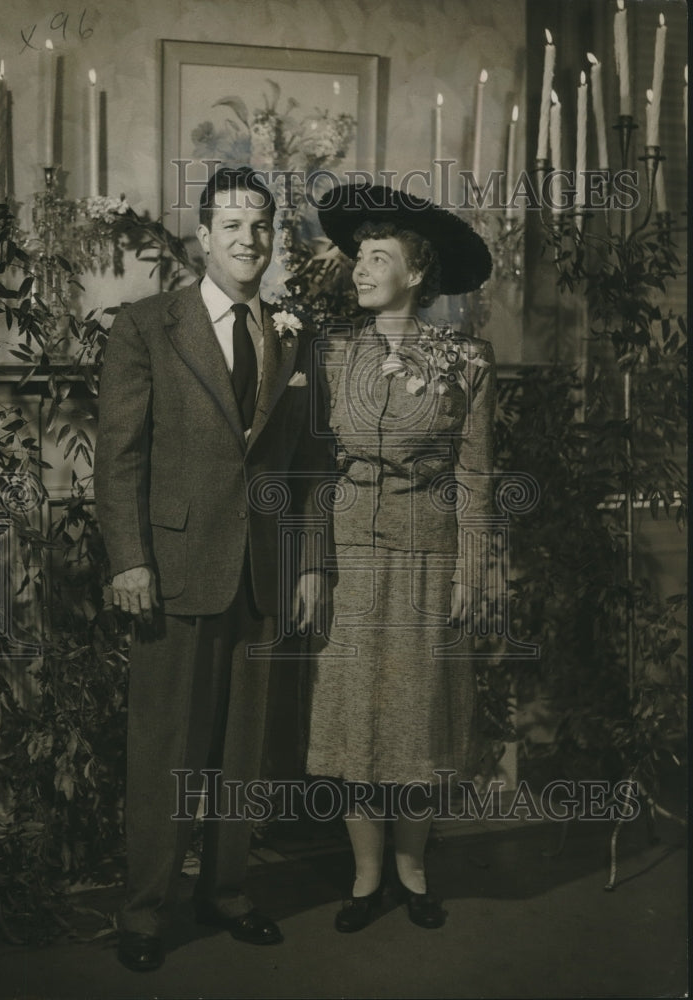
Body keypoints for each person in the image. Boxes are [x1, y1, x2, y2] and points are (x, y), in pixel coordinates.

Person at [94, 166, 322, 971]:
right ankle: (144, 911)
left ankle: (226, 892)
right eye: (232, 224)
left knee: (241, 750)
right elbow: (118, 459)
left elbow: (306, 466)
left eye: (261, 225)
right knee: (165, 748)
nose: (248, 239)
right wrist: (130, 560)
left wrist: (305, 564)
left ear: (273, 237)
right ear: (202, 235)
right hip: (176, 566)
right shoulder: (147, 325)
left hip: (262, 569)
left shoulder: (294, 334)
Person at [306, 183, 495, 932]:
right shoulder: (327, 353)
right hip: (349, 555)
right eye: (358, 255)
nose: (359, 267)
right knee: (354, 718)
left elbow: (477, 473)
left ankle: (413, 873)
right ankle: (364, 876)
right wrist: (309, 562)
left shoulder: (463, 359)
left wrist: (473, 565)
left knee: (416, 719)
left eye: (377, 257)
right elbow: (307, 467)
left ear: (416, 274)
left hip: (427, 553)